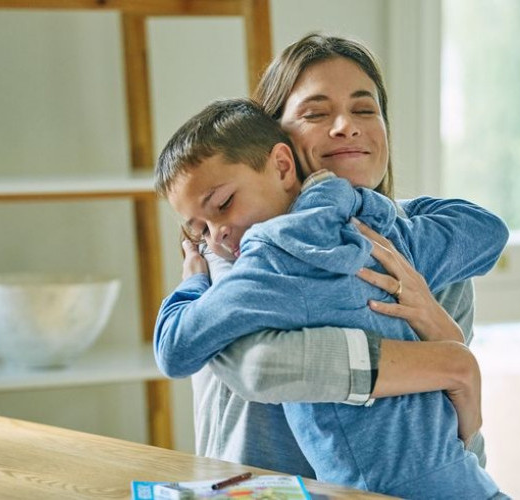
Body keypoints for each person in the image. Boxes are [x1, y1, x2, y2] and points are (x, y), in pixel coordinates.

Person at [181, 33, 503, 487]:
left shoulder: (426, 248)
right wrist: (452, 361)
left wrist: (440, 328)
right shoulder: (242, 242)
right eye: (315, 113)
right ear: (276, 148)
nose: (345, 126)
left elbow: (456, 437)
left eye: (364, 109)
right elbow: (260, 367)